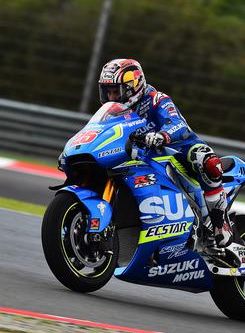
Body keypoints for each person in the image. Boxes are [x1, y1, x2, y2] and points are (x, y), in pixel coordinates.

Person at [97, 58, 232, 247]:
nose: (111, 97)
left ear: (133, 87)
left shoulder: (156, 99)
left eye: (116, 91)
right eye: (107, 91)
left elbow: (177, 124)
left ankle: (220, 224)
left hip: (178, 148)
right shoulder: (111, 112)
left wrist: (163, 135)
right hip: (143, 156)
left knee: (206, 159)